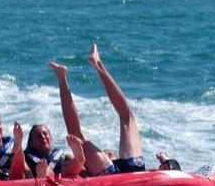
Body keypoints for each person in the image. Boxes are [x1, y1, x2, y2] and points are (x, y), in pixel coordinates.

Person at [49, 43, 146, 176]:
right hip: (129, 171)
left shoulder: (106, 161)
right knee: (127, 118)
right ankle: (97, 64)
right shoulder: (111, 161)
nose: (108, 152)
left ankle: (63, 77)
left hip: (111, 174)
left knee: (79, 135)